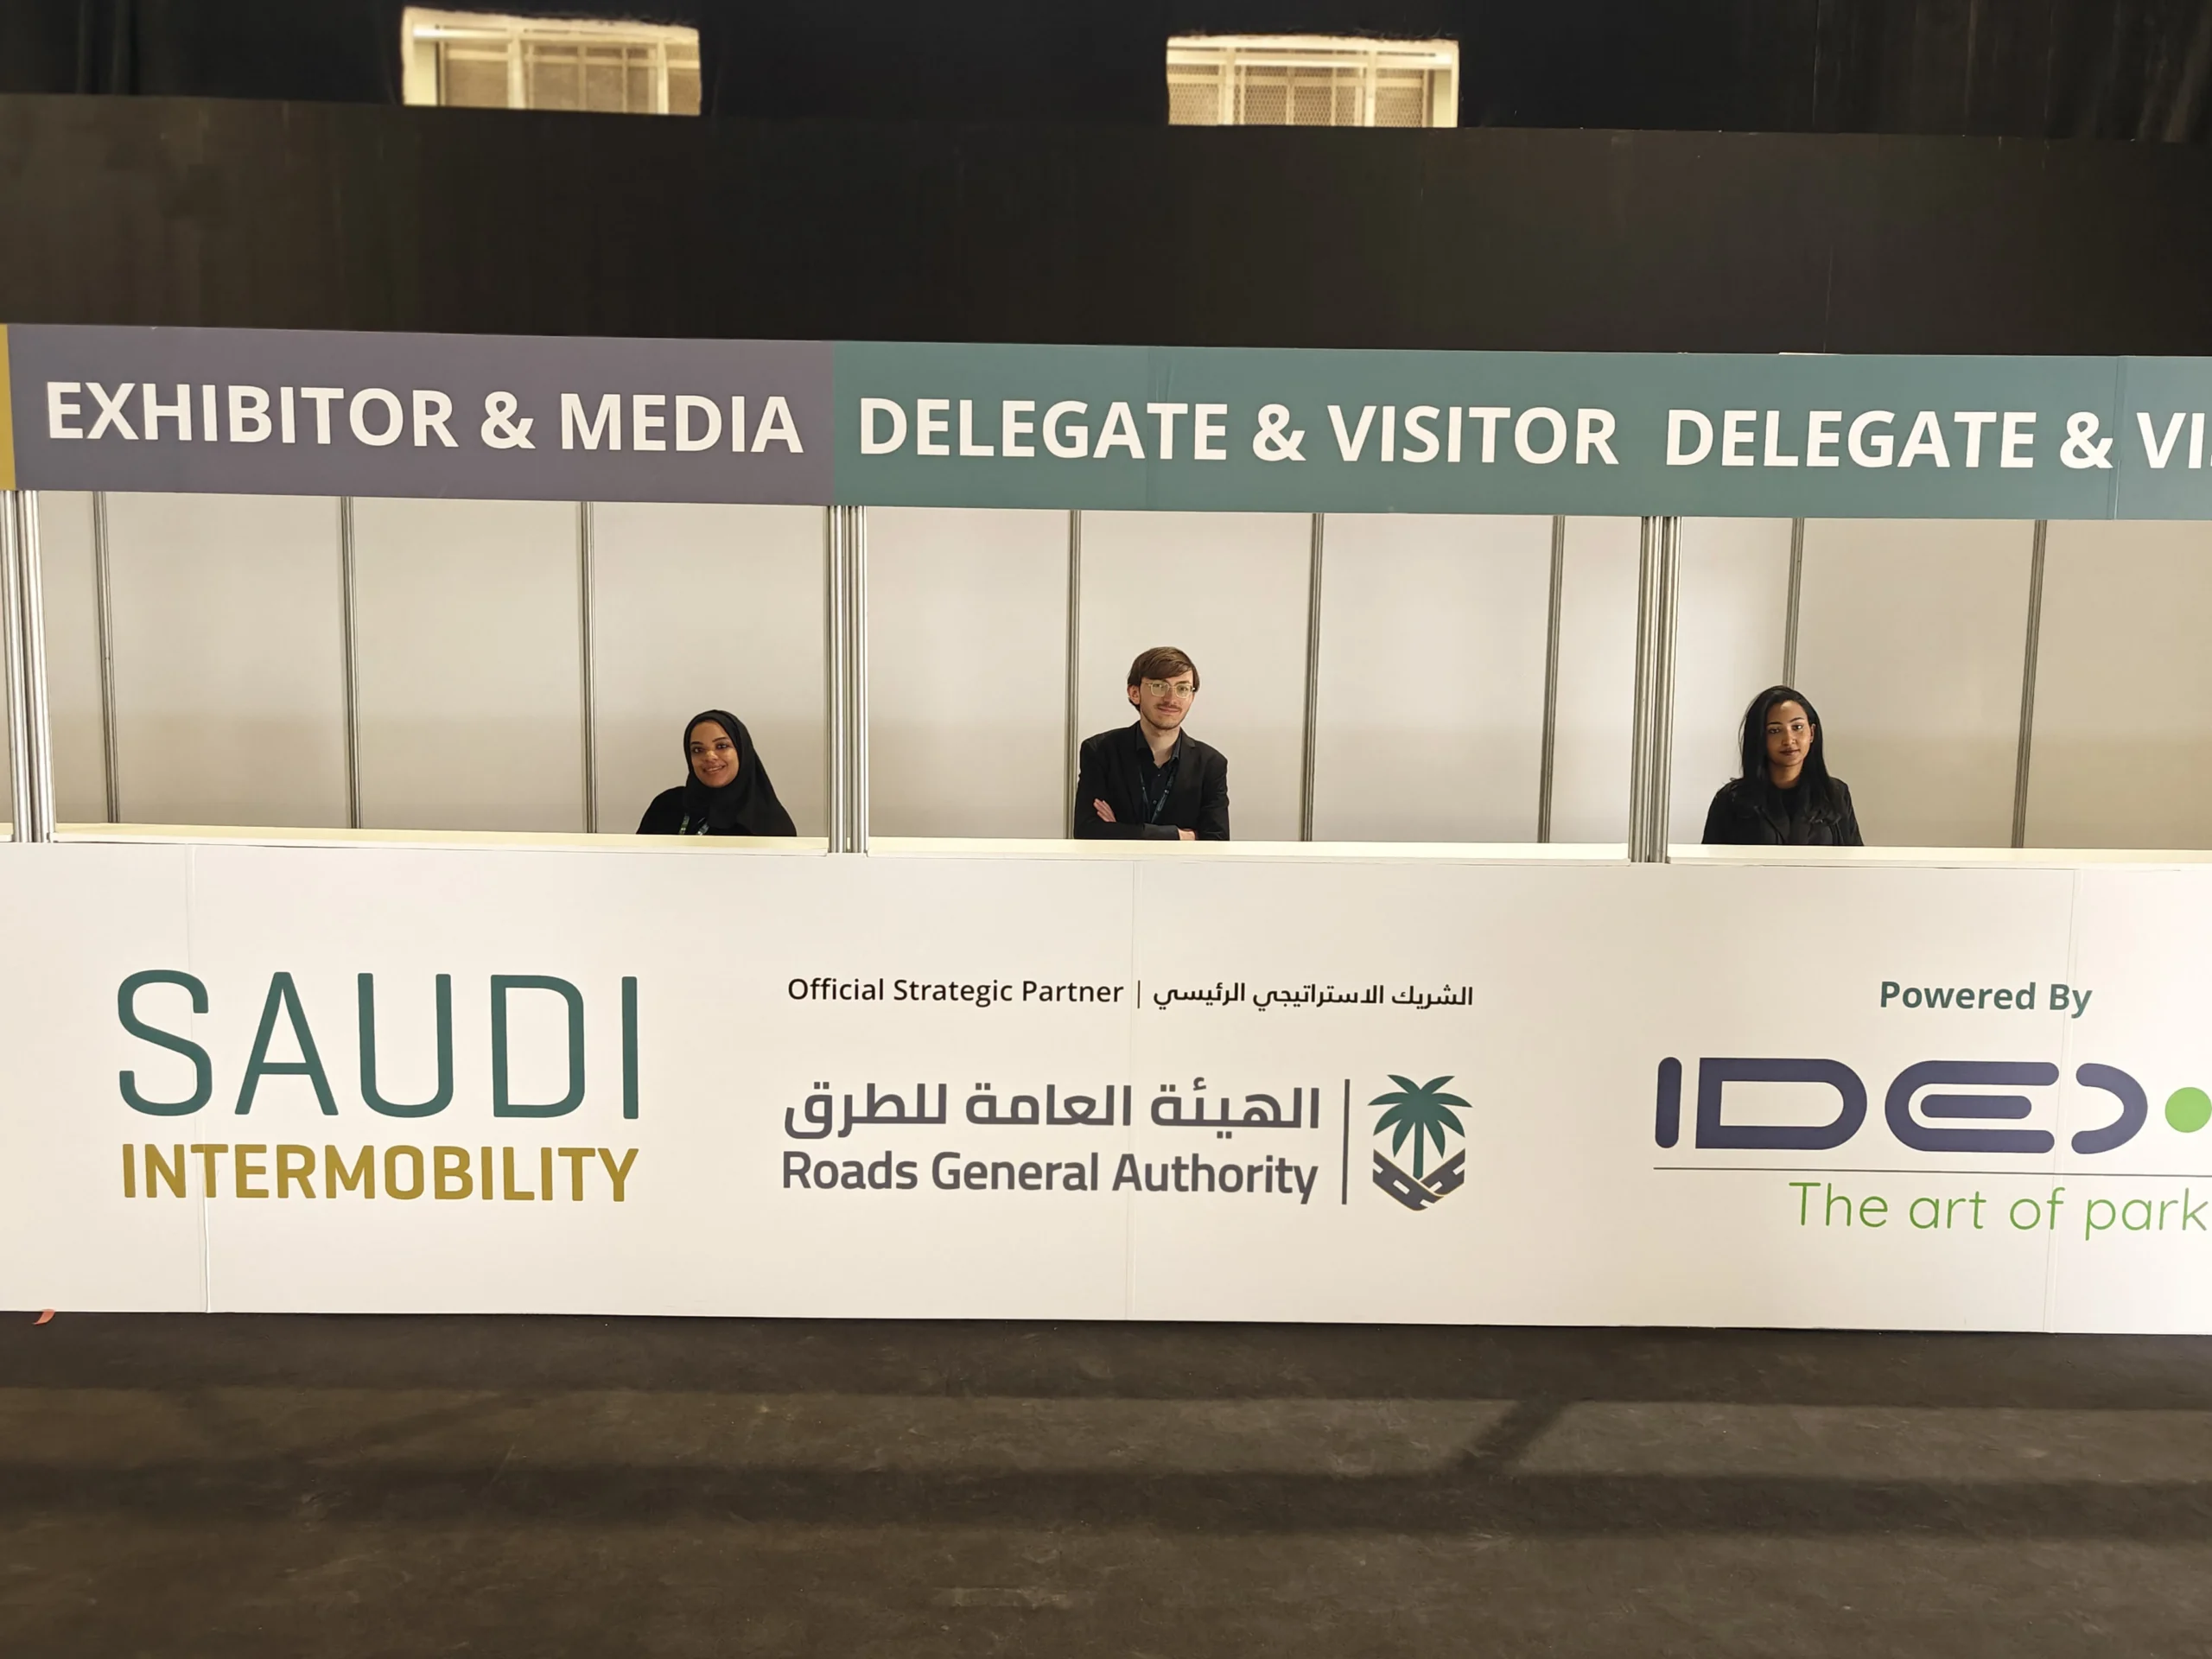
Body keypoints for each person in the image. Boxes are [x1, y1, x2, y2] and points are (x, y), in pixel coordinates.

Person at [1072, 646, 1230, 841]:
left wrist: (1120, 830)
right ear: (1134, 693)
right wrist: (1180, 836)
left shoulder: (1211, 764)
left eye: (1182, 689)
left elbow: (1217, 840)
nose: (1171, 699)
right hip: (1117, 863)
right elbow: (1087, 832)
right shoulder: (1100, 751)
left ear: (1191, 697)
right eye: (1159, 686)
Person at [1701, 684, 1863, 846]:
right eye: (1775, 731)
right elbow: (1710, 861)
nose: (1789, 740)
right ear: (1759, 737)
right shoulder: (1731, 800)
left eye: (1797, 727)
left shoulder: (1835, 794)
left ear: (1812, 733)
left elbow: (1854, 858)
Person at [637, 709, 798, 836]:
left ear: (742, 752)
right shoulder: (666, 806)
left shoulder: (770, 823)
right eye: (698, 750)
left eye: (721, 746)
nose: (710, 756)